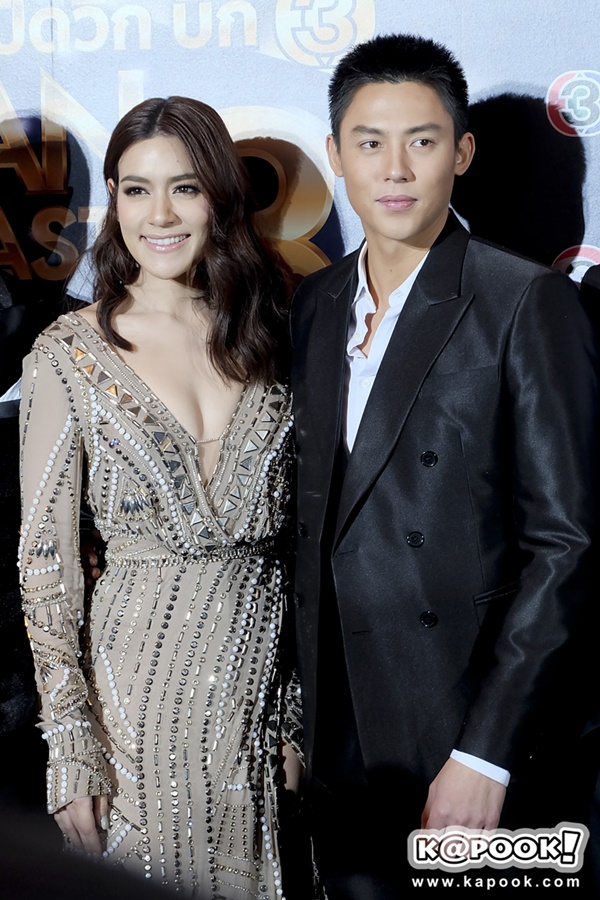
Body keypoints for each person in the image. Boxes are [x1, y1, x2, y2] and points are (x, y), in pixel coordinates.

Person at [290, 33, 598, 897]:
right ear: (335, 155)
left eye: (421, 141)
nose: (395, 169)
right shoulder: (315, 301)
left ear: (461, 153)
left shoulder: (525, 299)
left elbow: (568, 545)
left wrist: (486, 753)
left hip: (467, 728)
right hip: (339, 737)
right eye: (370, 142)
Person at [18, 96, 303, 898]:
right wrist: (72, 745)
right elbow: (45, 567)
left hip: (258, 722)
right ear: (113, 199)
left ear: (220, 196)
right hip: (131, 724)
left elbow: (302, 549)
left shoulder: (276, 339)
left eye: (185, 188)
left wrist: (293, 717)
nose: (161, 215)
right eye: (137, 190)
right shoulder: (67, 354)